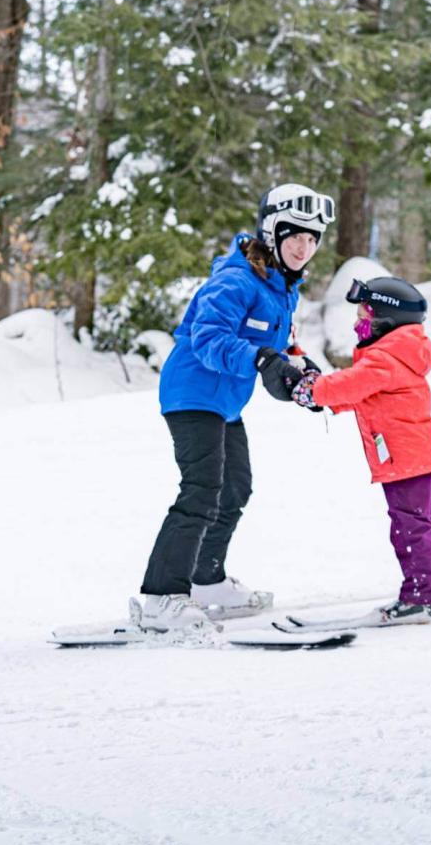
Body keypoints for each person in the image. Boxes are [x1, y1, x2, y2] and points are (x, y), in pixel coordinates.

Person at [133, 183, 334, 633]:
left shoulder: (282, 287)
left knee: (235, 488)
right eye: (295, 236)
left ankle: (206, 580)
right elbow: (207, 339)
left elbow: (271, 339)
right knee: (202, 489)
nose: (304, 247)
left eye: (312, 239)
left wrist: (295, 362)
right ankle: (161, 596)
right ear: (273, 233)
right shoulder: (236, 279)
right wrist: (261, 358)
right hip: (191, 394)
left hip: (225, 402)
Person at [286, 276, 431, 623]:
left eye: (363, 315)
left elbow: (351, 384)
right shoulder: (401, 355)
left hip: (405, 462)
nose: (357, 323)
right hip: (422, 459)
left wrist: (313, 391)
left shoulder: (384, 358)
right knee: (426, 525)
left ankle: (425, 595)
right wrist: (327, 397)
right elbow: (364, 394)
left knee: (410, 528)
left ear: (386, 319)